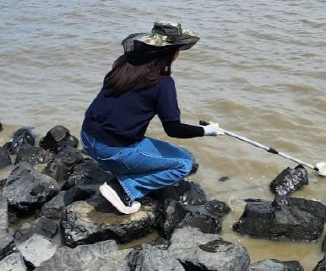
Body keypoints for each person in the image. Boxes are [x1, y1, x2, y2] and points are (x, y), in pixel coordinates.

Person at [81, 21, 222, 214]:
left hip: (88, 139)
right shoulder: (163, 83)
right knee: (184, 164)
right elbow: (173, 129)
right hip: (113, 151)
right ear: (171, 52)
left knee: (175, 152)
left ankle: (123, 172)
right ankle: (124, 188)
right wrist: (207, 131)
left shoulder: (124, 65)